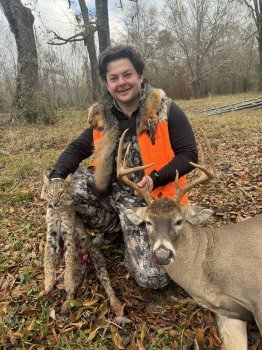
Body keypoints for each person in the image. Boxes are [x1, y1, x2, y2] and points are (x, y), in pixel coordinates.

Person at [42, 45, 198, 289]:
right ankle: (119, 231)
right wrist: (56, 177)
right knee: (76, 188)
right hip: (117, 198)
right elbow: (76, 149)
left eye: (127, 75)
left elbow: (189, 154)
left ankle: (133, 235)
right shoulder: (104, 118)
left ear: (140, 76)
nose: (121, 83)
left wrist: (156, 177)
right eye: (113, 78)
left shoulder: (166, 111)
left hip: (154, 203)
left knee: (153, 279)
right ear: (107, 84)